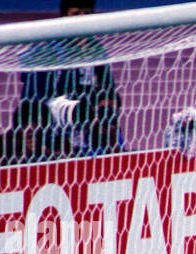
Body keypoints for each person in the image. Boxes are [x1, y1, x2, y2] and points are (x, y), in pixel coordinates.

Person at [16, 0, 123, 158]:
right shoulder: (47, 50)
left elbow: (109, 91)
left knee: (108, 117)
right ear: (64, 16)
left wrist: (105, 112)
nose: (82, 18)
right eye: (76, 13)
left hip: (88, 119)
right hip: (54, 120)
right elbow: (32, 100)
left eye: (87, 13)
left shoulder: (97, 49)